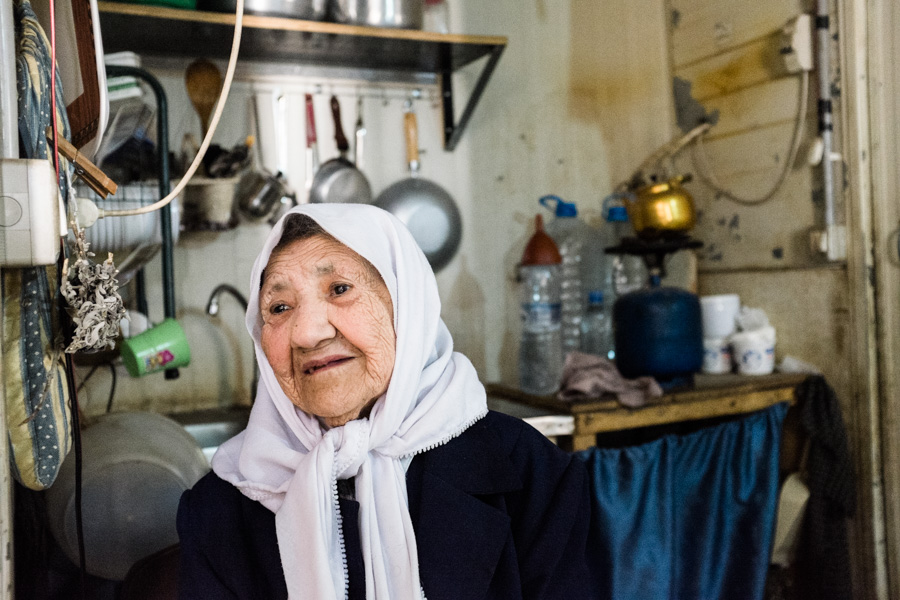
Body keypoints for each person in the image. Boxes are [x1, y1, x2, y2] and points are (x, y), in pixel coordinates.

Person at [177, 204, 593, 600]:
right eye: (280, 307)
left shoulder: (531, 475)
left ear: (406, 307)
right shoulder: (218, 512)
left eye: (339, 289)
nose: (306, 333)